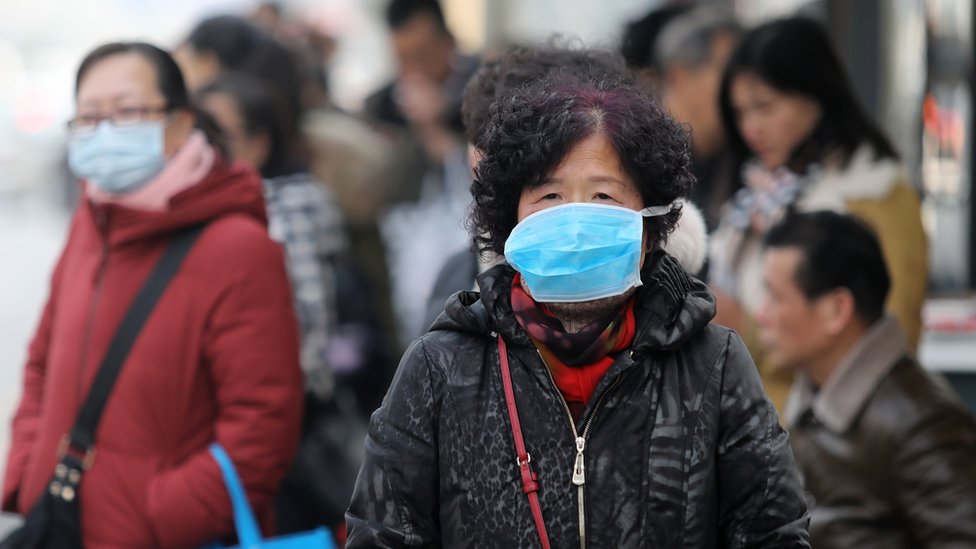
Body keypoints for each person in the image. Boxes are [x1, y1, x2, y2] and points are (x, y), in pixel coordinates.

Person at [345, 47, 810, 548]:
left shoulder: (713, 367)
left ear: (650, 225)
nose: (573, 223)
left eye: (604, 196)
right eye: (549, 197)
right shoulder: (440, 370)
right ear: (510, 222)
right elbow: (381, 535)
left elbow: (773, 533)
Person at [1, 43, 303, 548]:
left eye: (128, 112)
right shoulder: (92, 222)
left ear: (181, 122)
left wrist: (160, 518)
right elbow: (41, 364)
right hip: (60, 523)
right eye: (89, 117)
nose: (105, 131)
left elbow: (262, 426)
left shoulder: (238, 246)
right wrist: (27, 472)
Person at [710, 16, 928, 412]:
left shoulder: (876, 194)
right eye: (740, 113)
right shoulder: (754, 194)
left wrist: (746, 328)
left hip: (830, 436)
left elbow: (890, 336)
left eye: (766, 107)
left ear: (816, 95)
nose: (751, 128)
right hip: (748, 426)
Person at [423, 42, 708, 331]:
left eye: (603, 195)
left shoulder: (687, 317)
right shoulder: (457, 293)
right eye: (550, 194)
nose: (480, 163)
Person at [758, 211, 976, 548]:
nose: (761, 315)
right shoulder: (810, 396)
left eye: (775, 297)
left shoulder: (919, 421)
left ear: (837, 310)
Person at [656, 6, 742, 232]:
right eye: (729, 72)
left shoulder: (743, 162)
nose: (741, 90)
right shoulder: (644, 166)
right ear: (680, 76)